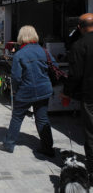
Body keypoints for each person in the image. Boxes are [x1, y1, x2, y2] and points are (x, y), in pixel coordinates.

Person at [0, 25, 56, 156]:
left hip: (26, 91)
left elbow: (16, 77)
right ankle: (47, 148)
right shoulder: (44, 51)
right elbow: (54, 66)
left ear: (21, 37)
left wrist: (15, 91)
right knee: (42, 119)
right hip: (43, 90)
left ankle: (9, 144)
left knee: (17, 118)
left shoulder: (20, 54)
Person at [62, 13, 93, 178]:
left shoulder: (80, 45)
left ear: (80, 28)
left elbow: (75, 75)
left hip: (90, 96)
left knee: (91, 133)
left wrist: (67, 93)